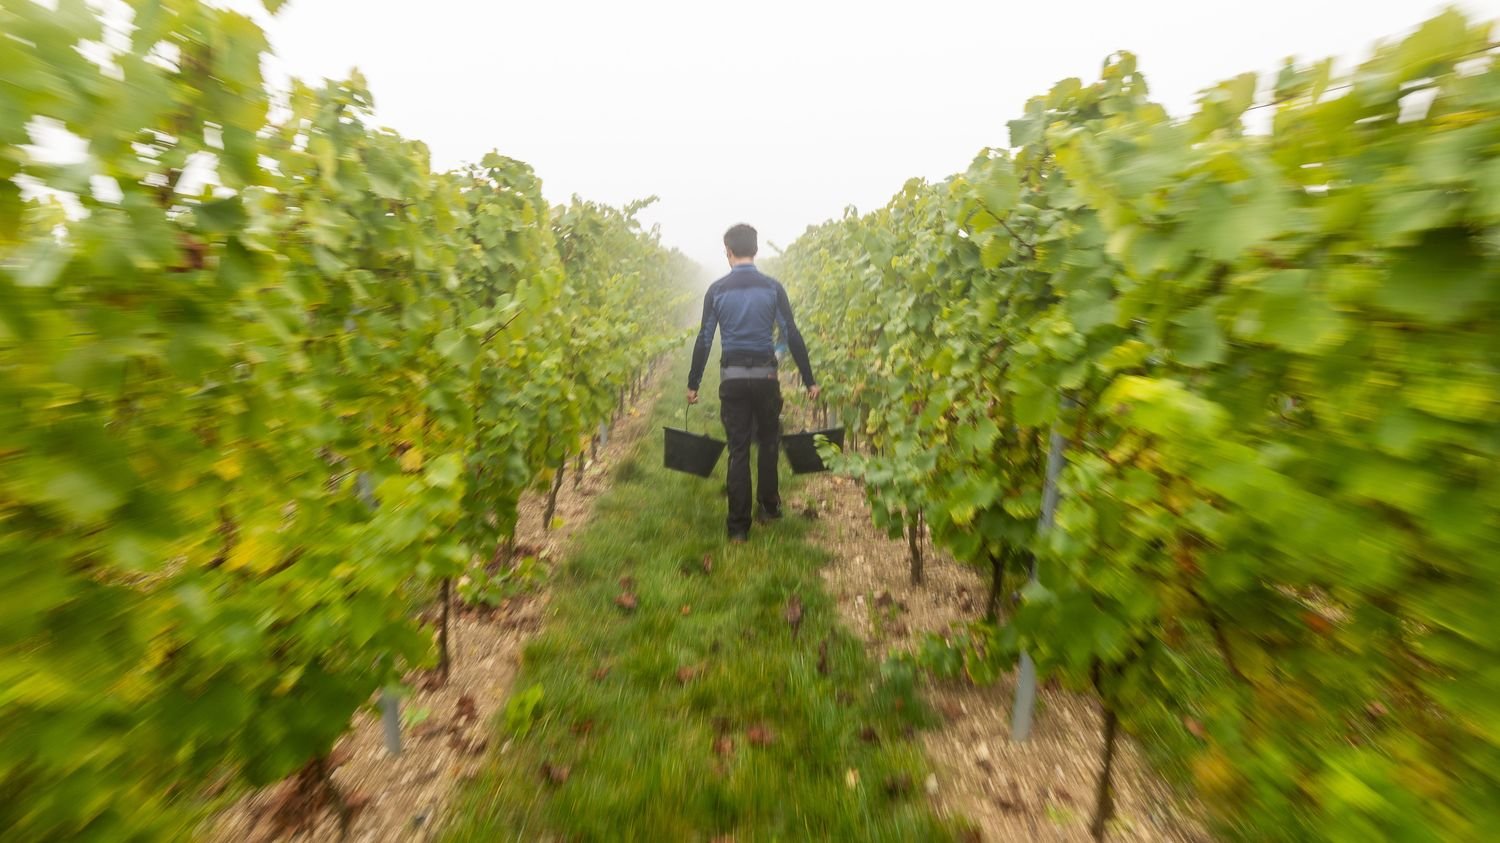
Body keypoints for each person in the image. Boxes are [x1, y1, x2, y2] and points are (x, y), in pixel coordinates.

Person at [687, 223, 819, 543]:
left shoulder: (716, 291)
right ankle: (769, 508)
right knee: (769, 441)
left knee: (738, 449)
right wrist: (809, 380)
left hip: (732, 379)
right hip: (766, 377)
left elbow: (704, 339)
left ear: (728, 252)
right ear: (756, 251)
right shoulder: (773, 288)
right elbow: (792, 334)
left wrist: (694, 383)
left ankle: (737, 528)